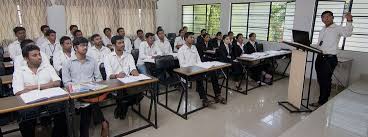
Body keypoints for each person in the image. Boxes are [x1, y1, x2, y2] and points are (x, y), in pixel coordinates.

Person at [12, 44, 67, 137]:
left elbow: (57, 83)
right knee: (25, 118)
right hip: (30, 101)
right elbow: (18, 91)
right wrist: (49, 85)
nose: (39, 57)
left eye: (39, 54)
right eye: (34, 55)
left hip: (49, 98)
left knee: (60, 111)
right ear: (26, 58)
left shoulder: (47, 67)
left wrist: (33, 87)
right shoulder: (19, 71)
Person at [62, 37, 109, 137]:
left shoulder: (92, 61)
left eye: (86, 45)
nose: (85, 47)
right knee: (87, 108)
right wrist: (78, 88)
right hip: (76, 93)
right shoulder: (67, 63)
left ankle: (86, 133)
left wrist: (94, 85)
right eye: (82, 45)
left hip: (92, 91)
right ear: (75, 47)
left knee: (87, 108)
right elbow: (66, 83)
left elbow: (99, 78)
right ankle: (104, 123)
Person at [310, 11, 353, 107]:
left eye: (328, 16)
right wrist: (308, 45)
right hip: (320, 57)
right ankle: (324, 98)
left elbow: (348, 33)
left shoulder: (337, 28)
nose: (326, 19)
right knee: (321, 79)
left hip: (329, 59)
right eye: (323, 17)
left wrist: (349, 20)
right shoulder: (323, 29)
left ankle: (322, 101)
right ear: (322, 19)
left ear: (332, 17)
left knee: (325, 80)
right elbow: (320, 44)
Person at [177, 32, 225, 106]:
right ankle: (204, 99)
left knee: (213, 73)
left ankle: (217, 95)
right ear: (186, 38)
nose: (193, 39)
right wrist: (195, 67)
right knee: (199, 77)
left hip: (197, 69)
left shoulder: (194, 47)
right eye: (191, 37)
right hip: (187, 72)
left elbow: (198, 60)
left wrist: (201, 67)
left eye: (193, 37)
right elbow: (183, 65)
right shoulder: (181, 50)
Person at [104, 35, 142, 119]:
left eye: (123, 42)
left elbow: (133, 69)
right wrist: (117, 75)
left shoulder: (129, 55)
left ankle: (123, 106)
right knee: (124, 93)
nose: (122, 44)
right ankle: (123, 106)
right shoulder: (108, 57)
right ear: (114, 45)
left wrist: (136, 73)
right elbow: (109, 75)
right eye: (119, 43)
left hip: (128, 82)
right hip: (114, 83)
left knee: (141, 91)